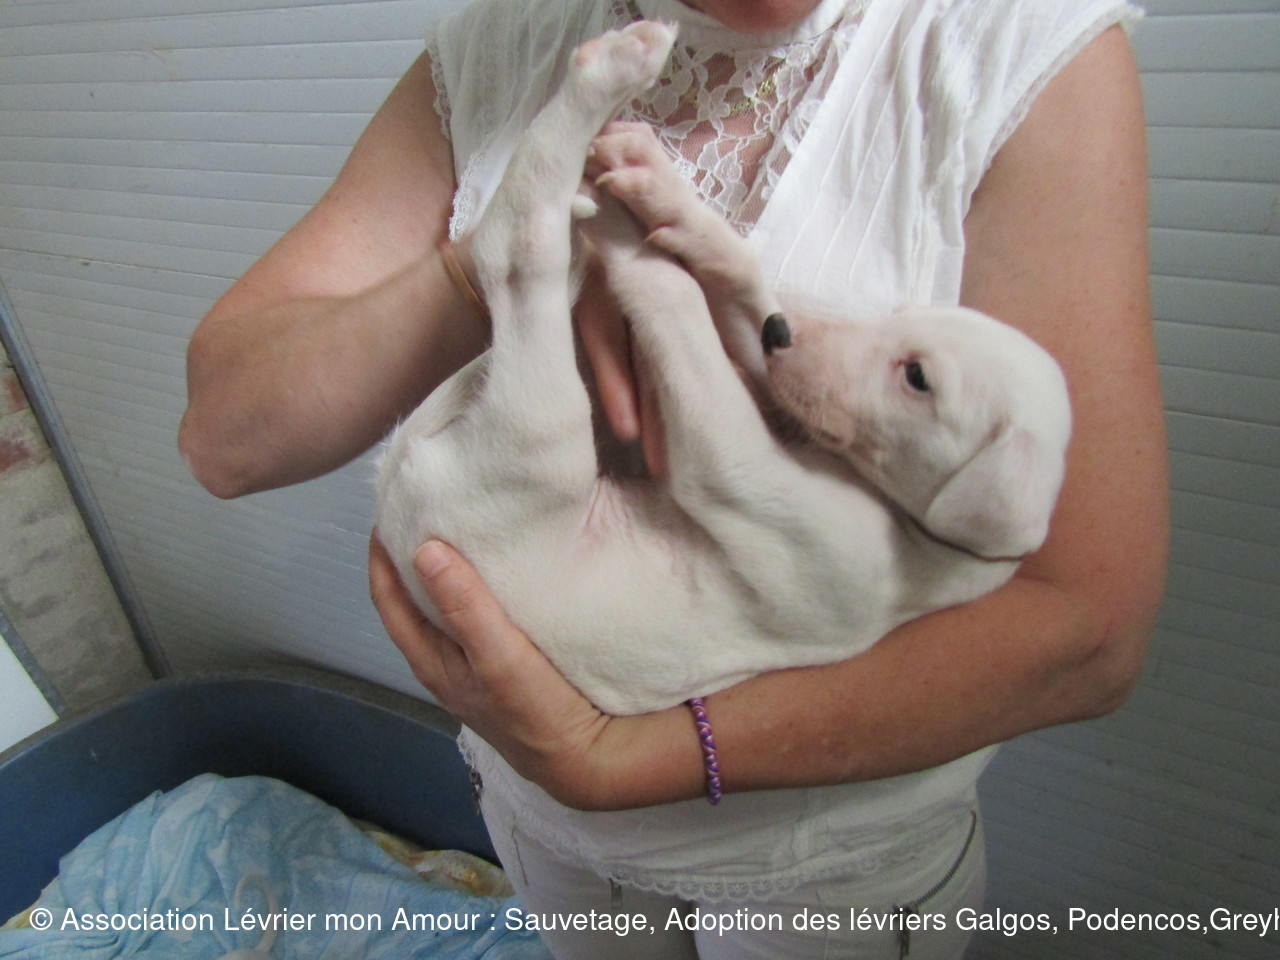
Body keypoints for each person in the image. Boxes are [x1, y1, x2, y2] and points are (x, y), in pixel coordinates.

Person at [180, 0, 1169, 956]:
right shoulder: (497, 45)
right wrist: (471, 276)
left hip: (820, 877)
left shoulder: (1010, 43)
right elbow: (223, 438)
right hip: (537, 816)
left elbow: (1084, 633)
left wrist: (611, 759)